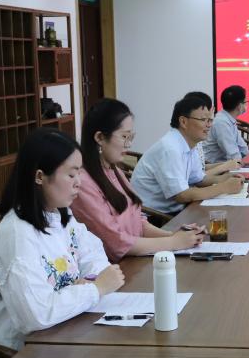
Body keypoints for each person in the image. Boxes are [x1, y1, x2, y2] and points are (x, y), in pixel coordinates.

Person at [0, 128, 126, 353]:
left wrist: (90, 281)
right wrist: (95, 289)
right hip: (16, 354)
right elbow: (36, 315)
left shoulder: (58, 213)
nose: (79, 183)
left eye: (80, 173)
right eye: (71, 175)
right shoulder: (18, 235)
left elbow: (92, 253)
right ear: (39, 177)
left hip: (62, 329)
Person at [72, 99, 204, 262]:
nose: (128, 144)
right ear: (100, 137)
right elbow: (116, 243)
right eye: (124, 137)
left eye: (131, 137)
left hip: (134, 259)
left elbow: (138, 222)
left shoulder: (114, 171)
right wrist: (173, 242)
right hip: (114, 268)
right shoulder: (83, 183)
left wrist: (175, 236)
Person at [132, 94, 245, 214]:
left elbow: (199, 180)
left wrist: (227, 178)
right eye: (203, 120)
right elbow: (181, 195)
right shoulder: (170, 148)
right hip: (155, 217)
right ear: (183, 122)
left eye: (209, 120)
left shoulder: (190, 143)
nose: (209, 125)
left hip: (177, 210)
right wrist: (224, 187)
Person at [204, 85, 249, 164]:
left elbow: (242, 147)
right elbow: (233, 155)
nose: (247, 104)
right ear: (239, 106)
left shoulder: (228, 119)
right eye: (246, 102)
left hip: (226, 165)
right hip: (214, 167)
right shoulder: (221, 123)